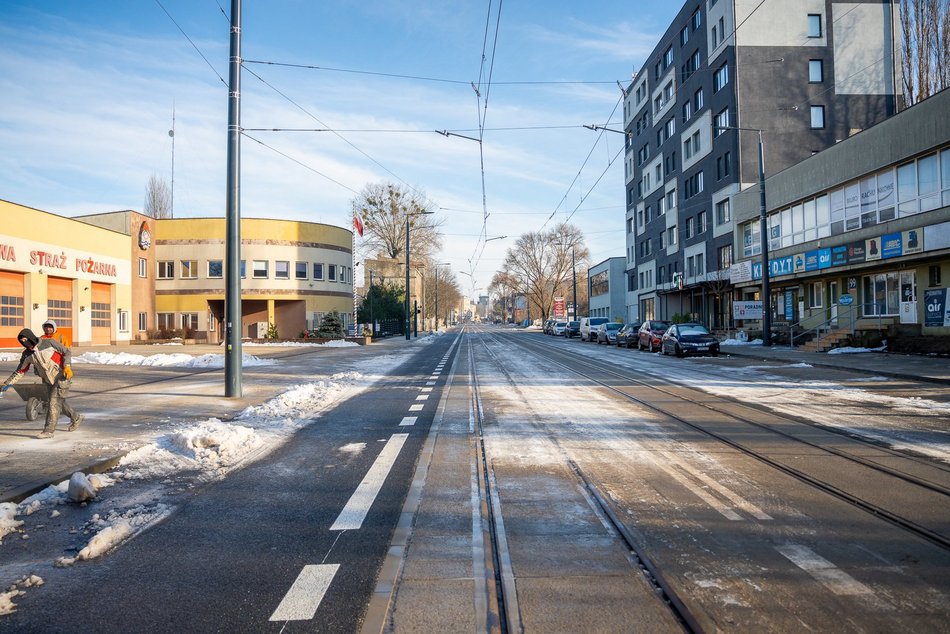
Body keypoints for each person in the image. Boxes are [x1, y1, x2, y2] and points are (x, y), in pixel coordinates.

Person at [0, 328, 84, 438]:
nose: (27, 345)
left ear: (32, 338)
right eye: (23, 342)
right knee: (59, 403)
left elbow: (66, 351)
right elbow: (20, 371)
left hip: (62, 375)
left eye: (27, 341)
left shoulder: (48, 343)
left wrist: (67, 366)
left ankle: (48, 431)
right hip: (48, 380)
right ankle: (76, 417)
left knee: (53, 403)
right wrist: (7, 384)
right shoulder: (27, 354)